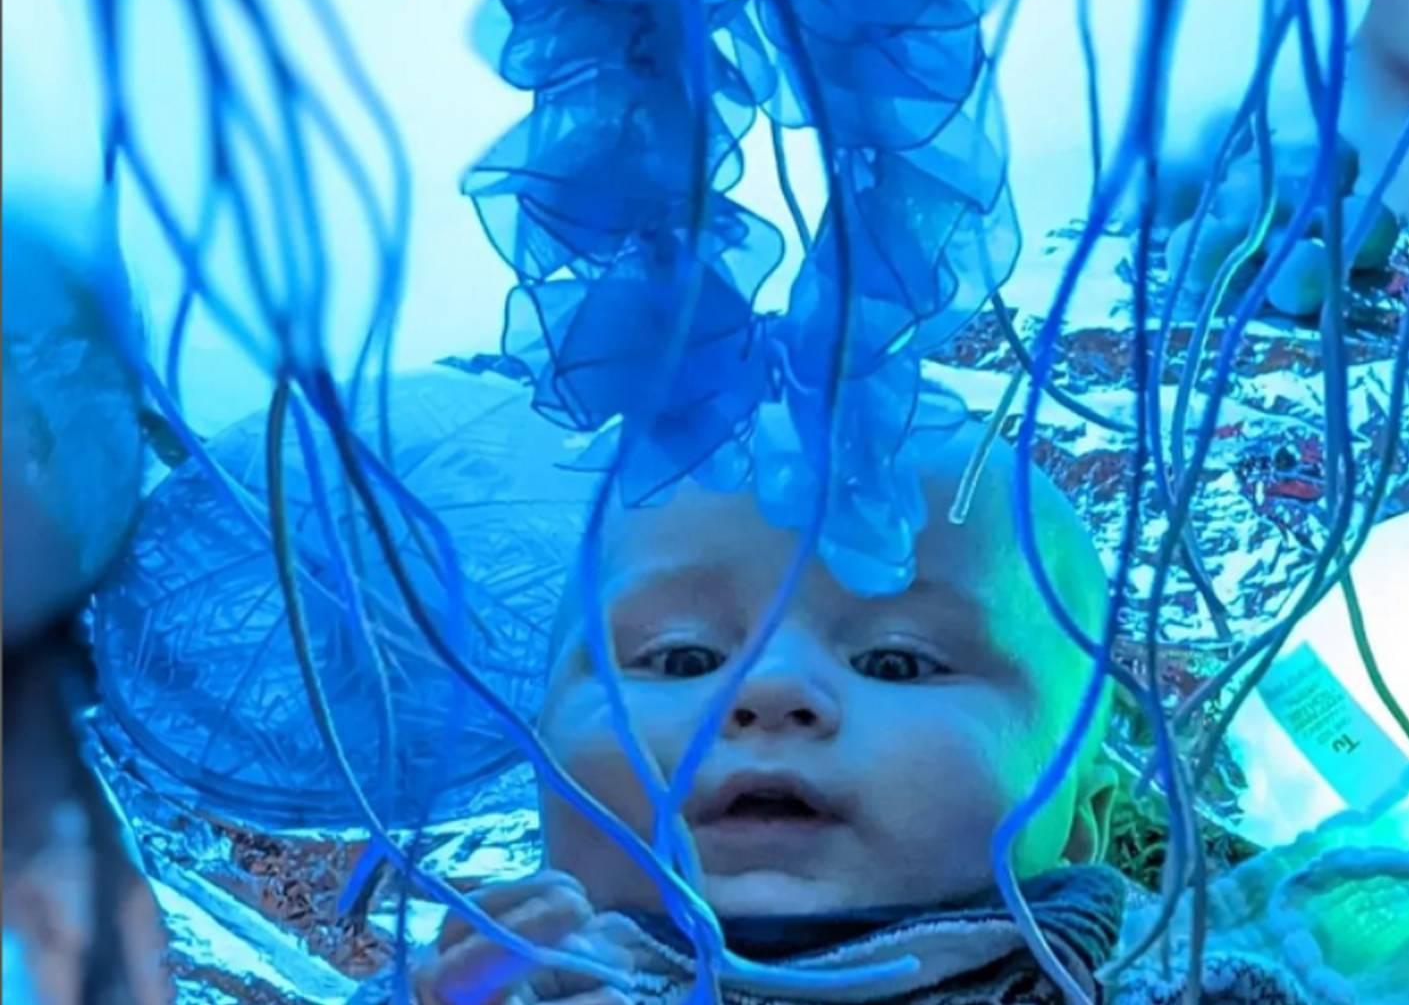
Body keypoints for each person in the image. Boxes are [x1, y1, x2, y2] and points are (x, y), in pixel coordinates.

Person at [381, 426, 1305, 1004]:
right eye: (684, 658)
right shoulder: (497, 990)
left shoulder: (1201, 973)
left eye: (897, 662)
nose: (765, 692)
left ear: (1084, 823)